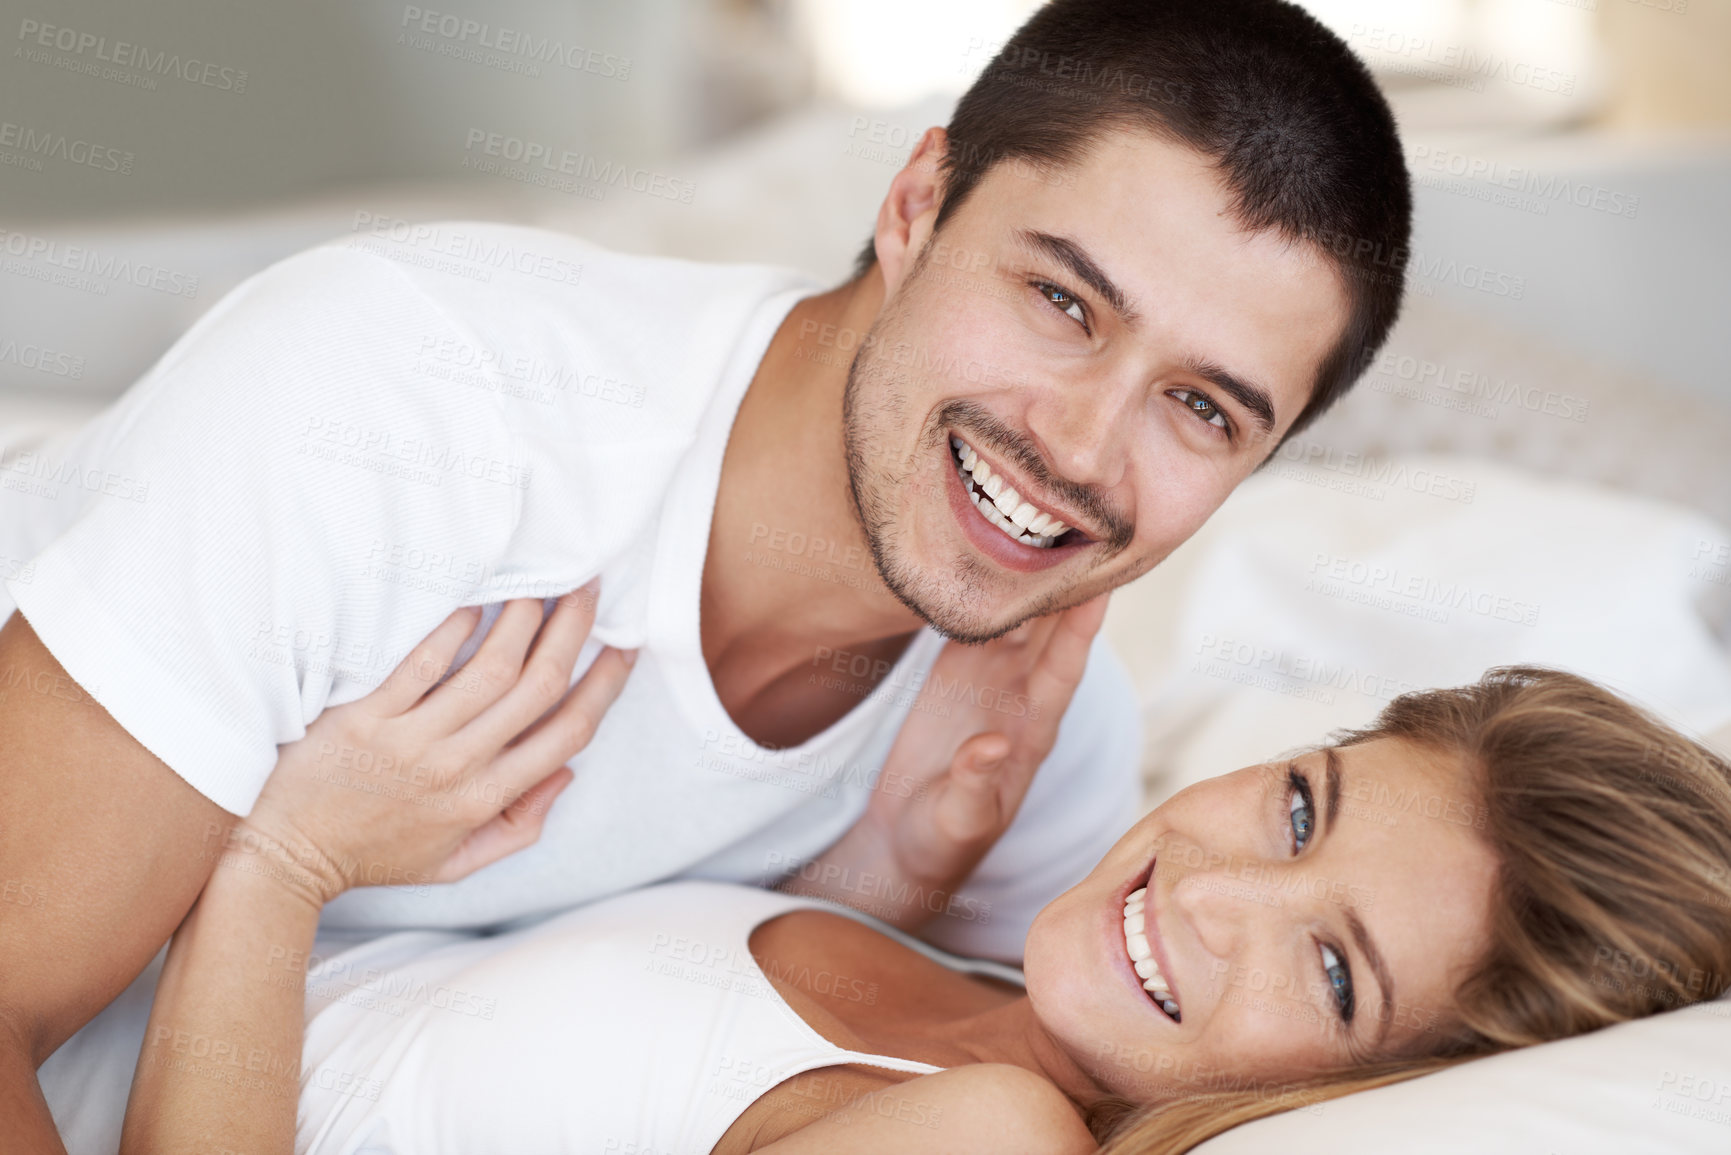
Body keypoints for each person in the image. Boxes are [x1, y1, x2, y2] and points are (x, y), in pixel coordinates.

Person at [0, 1, 1413, 1144]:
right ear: (919, 202)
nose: (1085, 452)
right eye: (1061, 300)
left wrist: (873, 890)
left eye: (1204, 409)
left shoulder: (1024, 747)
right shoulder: (401, 419)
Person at [104, 595, 1731, 1154]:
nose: (1221, 894)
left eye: (1333, 972)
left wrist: (285, 853)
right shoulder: (990, 1015)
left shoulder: (1008, 1129)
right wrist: (882, 874)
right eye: (1301, 811)